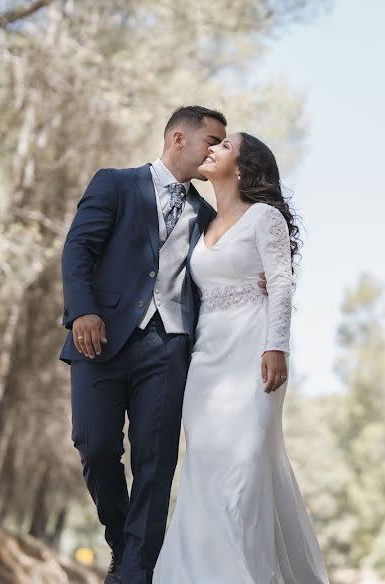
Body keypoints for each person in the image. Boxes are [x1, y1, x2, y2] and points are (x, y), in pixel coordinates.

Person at [61, 106, 233, 584]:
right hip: (102, 338)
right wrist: (83, 311)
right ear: (179, 138)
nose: (217, 150)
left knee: (155, 462)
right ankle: (122, 537)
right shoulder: (116, 183)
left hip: (169, 346)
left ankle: (136, 571)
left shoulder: (206, 215)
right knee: (94, 446)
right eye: (212, 140)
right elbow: (79, 249)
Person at [153, 132, 329, 583]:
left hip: (254, 355)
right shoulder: (204, 222)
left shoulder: (264, 217)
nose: (211, 149)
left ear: (245, 167)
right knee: (204, 473)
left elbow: (282, 282)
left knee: (242, 476)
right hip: (206, 362)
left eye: (224, 146)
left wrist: (277, 346)